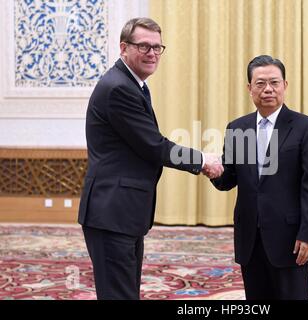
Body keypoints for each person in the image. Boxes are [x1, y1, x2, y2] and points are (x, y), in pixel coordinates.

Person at [78, 17, 222, 300]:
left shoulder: (134, 85)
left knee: (125, 292)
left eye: (157, 47)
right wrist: (203, 160)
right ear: (124, 47)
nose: (153, 53)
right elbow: (154, 146)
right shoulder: (119, 88)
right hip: (112, 213)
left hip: (121, 212)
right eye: (144, 46)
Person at [211, 55, 308, 300]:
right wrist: (209, 168)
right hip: (250, 238)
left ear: (285, 85)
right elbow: (228, 179)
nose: (268, 90)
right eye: (260, 83)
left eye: (274, 82)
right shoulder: (237, 128)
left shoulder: (305, 127)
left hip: (291, 239)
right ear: (249, 88)